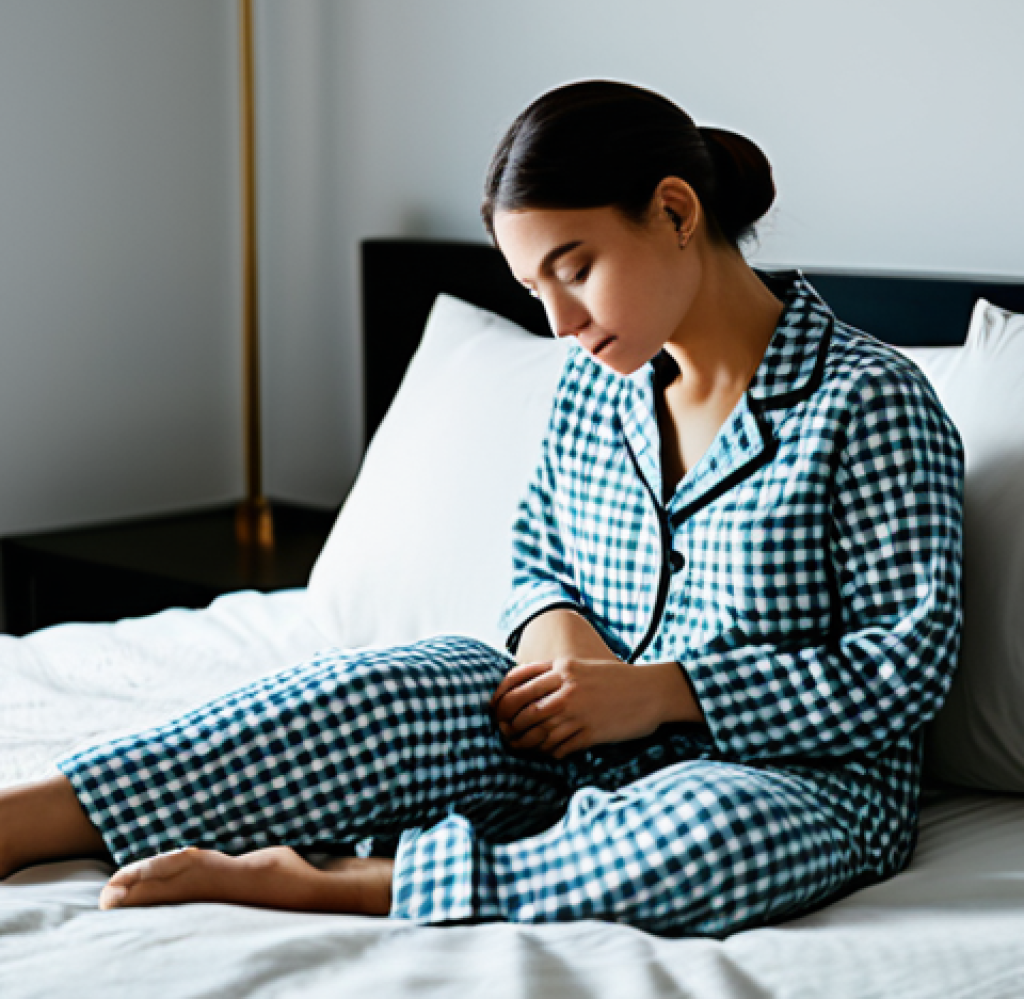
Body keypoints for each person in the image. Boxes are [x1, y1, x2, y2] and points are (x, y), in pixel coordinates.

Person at [0, 81, 963, 936]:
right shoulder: (594, 385)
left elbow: (903, 667)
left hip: (788, 776)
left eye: (575, 269)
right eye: (533, 288)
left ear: (675, 212)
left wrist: (665, 693)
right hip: (568, 730)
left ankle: (339, 884)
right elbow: (536, 556)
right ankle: (31, 816)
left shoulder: (868, 400)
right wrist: (559, 635)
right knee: (371, 690)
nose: (558, 322)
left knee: (705, 843)